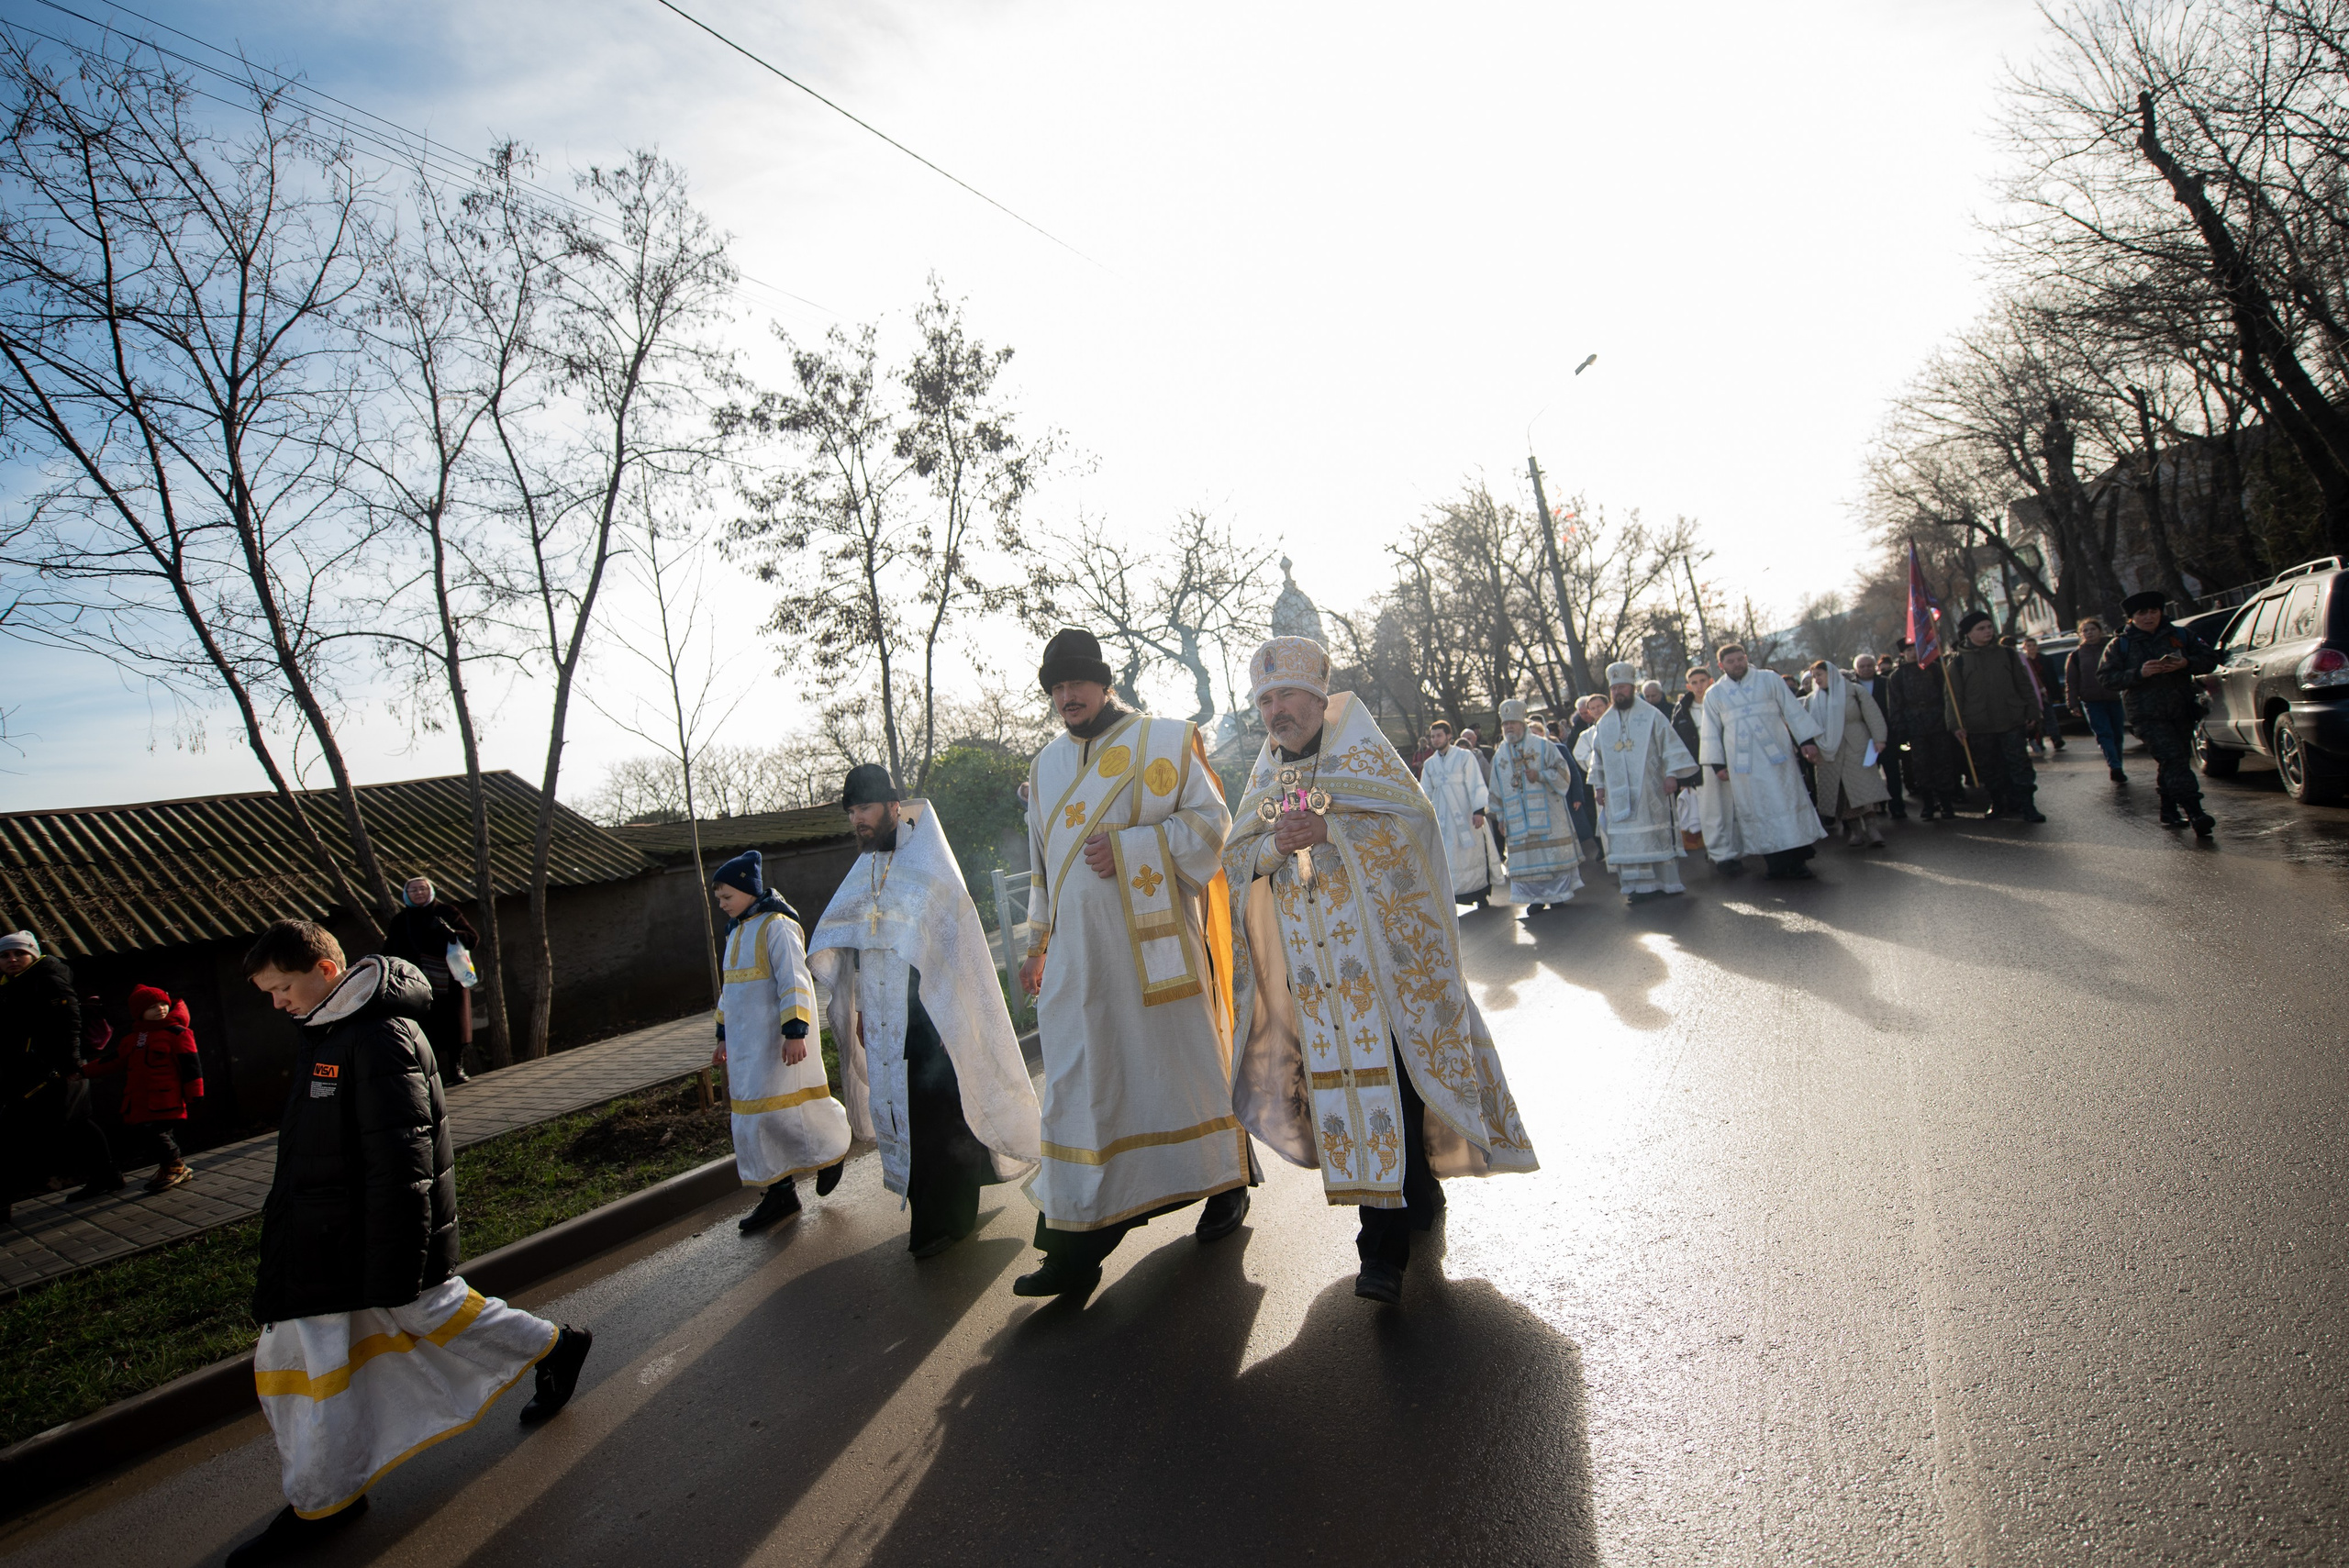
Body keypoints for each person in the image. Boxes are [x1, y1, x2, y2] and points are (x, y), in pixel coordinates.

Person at [228, 921, 590, 1566]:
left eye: (282, 986)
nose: (276, 1002)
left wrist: (395, 1265)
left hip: (371, 1244)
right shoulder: (329, 1030)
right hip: (330, 1242)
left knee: (421, 1315)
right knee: (316, 1362)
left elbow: (403, 1164)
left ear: (325, 971)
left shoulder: (378, 1035)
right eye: (269, 992)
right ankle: (330, 1492)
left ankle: (557, 1344)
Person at [1223, 637, 1538, 1306]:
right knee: (1352, 1096)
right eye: (1267, 700)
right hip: (1314, 980)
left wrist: (1335, 833)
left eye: (1288, 696)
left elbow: (1416, 835)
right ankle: (1387, 1236)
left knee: (1399, 1084)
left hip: (1382, 974)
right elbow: (1234, 861)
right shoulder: (1261, 781)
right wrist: (1270, 849)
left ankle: (1397, 1221)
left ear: (1319, 698)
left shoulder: (1364, 759)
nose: (1278, 710)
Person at [1013, 628, 1250, 1300]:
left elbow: (1214, 827)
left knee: (1181, 1071)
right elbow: (1040, 869)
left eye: (1076, 684)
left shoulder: (1165, 742)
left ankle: (1227, 1183)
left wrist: (1135, 848)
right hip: (1077, 963)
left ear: (1104, 682)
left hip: (1156, 956)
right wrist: (1037, 947)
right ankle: (1071, 1248)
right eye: (1056, 688)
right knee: (1079, 1093)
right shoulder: (1044, 768)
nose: (1066, 697)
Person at [807, 765, 1041, 1258]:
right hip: (888, 1016)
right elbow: (848, 942)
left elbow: (955, 942)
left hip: (932, 1014)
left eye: (865, 809)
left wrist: (946, 1014)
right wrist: (863, 1011)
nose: (858, 820)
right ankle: (938, 1206)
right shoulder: (865, 868)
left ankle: (949, 1220)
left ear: (895, 807)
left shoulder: (928, 861)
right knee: (911, 1112)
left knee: (939, 1111)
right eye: (852, 812)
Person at [709, 849, 850, 1235]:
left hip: (781, 1043)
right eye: (719, 899)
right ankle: (780, 1192)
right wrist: (722, 1035)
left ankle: (832, 1148)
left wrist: (795, 1032)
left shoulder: (777, 926)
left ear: (748, 890)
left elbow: (795, 980)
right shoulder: (737, 930)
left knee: (786, 1112)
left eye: (727, 897)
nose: (721, 905)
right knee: (755, 1121)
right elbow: (730, 991)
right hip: (746, 1049)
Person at [0, 930, 118, 1217]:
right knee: (77, 1124)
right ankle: (107, 1176)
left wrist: (70, 1064)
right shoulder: (11, 984)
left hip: (53, 1070)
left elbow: (70, 1021)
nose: (12, 959)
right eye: (5, 955)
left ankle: (3, 1203)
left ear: (34, 954)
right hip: (29, 1069)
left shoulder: (46, 979)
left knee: (15, 1130)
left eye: (20, 953)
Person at [1698, 645, 1828, 881]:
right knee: (1758, 809)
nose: (1737, 664)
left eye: (1741, 659)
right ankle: (1775, 863)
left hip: (1777, 759)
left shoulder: (1768, 679)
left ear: (1746, 658)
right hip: (1743, 767)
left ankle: (1799, 862)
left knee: (1786, 803)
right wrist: (1717, 765)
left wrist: (1807, 741)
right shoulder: (1714, 694)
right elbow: (1710, 731)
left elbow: (1792, 709)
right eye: (1731, 661)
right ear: (1721, 666)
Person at [1575, 662, 1701, 902]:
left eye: (1622, 687)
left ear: (1632, 688)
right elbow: (1597, 757)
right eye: (1614, 689)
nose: (1618, 693)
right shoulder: (1605, 722)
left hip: (1650, 790)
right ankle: (1635, 887)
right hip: (1617, 794)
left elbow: (1670, 746)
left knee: (1652, 835)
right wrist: (1599, 786)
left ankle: (1663, 883)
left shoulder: (1651, 715)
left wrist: (1672, 775)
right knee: (1626, 840)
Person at [2099, 591, 2220, 835]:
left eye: (2153, 611)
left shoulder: (2181, 635)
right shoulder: (2121, 644)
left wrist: (2186, 663)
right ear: (2132, 618)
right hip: (2147, 714)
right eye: (2142, 613)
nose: (2149, 617)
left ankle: (2167, 809)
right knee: (2173, 759)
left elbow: (2211, 658)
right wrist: (2139, 674)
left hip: (2182, 709)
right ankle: (2195, 811)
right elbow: (2105, 678)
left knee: (2175, 762)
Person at [80, 984, 203, 1193]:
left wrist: (195, 1092)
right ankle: (170, 1167)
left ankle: (176, 1166)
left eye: (163, 1004)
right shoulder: (135, 1037)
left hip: (166, 1098)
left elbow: (191, 1065)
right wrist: (82, 1071)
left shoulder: (177, 1033)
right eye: (152, 1006)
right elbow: (114, 1060)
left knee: (156, 1132)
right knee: (153, 1133)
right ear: (139, 1012)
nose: (160, 1009)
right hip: (140, 1100)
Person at [1943, 611, 2046, 822]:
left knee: (2020, 765)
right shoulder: (1958, 662)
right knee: (1990, 768)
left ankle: (2027, 805)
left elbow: (2024, 685)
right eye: (1981, 628)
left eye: (1989, 627)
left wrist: (2032, 712)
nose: (1987, 631)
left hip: (2011, 721)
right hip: (1979, 725)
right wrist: (1956, 725)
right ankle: (1998, 802)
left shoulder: (2006, 654)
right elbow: (1953, 698)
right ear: (1969, 634)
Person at [1487, 697, 1586, 911]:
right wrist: (1501, 819)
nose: (1509, 727)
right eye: (1505, 724)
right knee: (1529, 860)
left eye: (1512, 723)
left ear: (1522, 724)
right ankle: (1536, 899)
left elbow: (1563, 773)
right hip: (1517, 819)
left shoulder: (1543, 746)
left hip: (1548, 813)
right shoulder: (1500, 755)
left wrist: (1540, 775)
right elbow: (1496, 790)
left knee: (1550, 856)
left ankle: (1558, 895)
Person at [380, 877, 479, 1086]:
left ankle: (456, 1069)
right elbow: (390, 949)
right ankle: (433, 1075)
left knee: (454, 1027)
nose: (418, 893)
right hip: (418, 983)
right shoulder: (401, 920)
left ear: (431, 891)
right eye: (413, 890)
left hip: (450, 980)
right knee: (428, 1029)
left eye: (422, 889)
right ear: (406, 894)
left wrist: (452, 933)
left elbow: (472, 938)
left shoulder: (447, 912)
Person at [1806, 660, 1892, 849]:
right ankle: (1856, 831)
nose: (1817, 679)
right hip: (1830, 751)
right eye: (1815, 676)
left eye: (1820, 674)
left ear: (1832, 673)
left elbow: (1873, 714)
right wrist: (1808, 747)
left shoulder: (1853, 690)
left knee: (1864, 789)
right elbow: (1807, 727)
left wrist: (1879, 739)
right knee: (1843, 793)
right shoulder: (1812, 700)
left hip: (1856, 746)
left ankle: (1872, 829)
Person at [1672, 667, 1742, 874]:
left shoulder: (1722, 701)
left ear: (1711, 680)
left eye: (1703, 680)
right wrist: (1684, 775)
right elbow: (1679, 743)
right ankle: (1719, 854)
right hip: (1702, 766)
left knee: (1734, 807)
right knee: (1712, 810)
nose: (1699, 686)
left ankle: (1736, 850)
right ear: (1688, 686)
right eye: (1694, 682)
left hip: (1729, 760)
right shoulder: (1683, 710)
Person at [1417, 719, 1495, 906]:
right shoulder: (1429, 764)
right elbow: (1425, 792)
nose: (1435, 739)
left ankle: (1480, 894)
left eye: (1439, 735)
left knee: (1471, 853)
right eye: (1433, 736)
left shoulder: (1464, 757)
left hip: (1466, 814)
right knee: (1451, 857)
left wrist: (1479, 811)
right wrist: (1426, 817)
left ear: (1449, 736)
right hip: (1444, 819)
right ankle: (1456, 897)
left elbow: (1476, 783)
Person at [1887, 648, 1963, 820]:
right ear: (1902, 654)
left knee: (1943, 763)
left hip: (1938, 723)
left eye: (1917, 648)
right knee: (1921, 766)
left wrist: (1950, 721)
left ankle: (1946, 803)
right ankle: (1928, 804)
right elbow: (1895, 705)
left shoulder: (1935, 669)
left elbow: (1946, 697)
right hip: (1914, 728)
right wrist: (1900, 729)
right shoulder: (1897, 677)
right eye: (1909, 650)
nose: (1914, 653)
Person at [2066, 617, 2130, 784]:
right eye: (2085, 630)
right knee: (2104, 734)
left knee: (2117, 734)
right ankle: (2115, 766)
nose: (2089, 633)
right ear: (2081, 634)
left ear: (2100, 631)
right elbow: (2071, 682)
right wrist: (2073, 704)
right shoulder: (2076, 656)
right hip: (2091, 701)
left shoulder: (2112, 649)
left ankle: (2118, 765)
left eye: (2092, 629)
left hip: (2113, 697)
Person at [1856, 651, 1907, 819]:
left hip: (1887, 735)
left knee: (1892, 773)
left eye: (1869, 665)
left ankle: (1897, 806)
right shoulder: (1852, 688)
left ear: (1875, 667)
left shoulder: (1886, 682)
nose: (1866, 669)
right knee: (1872, 775)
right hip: (1863, 738)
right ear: (1856, 669)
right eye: (1862, 666)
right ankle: (1879, 805)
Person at [2020, 636, 2065, 756]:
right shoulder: (2023, 661)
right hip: (2032, 694)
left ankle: (2056, 739)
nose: (2032, 648)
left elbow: (2052, 677)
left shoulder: (2044, 659)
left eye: (2033, 645)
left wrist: (2056, 694)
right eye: (2029, 646)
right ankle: (2039, 741)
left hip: (2045, 692)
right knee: (2036, 720)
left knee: (2050, 716)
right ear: (2024, 647)